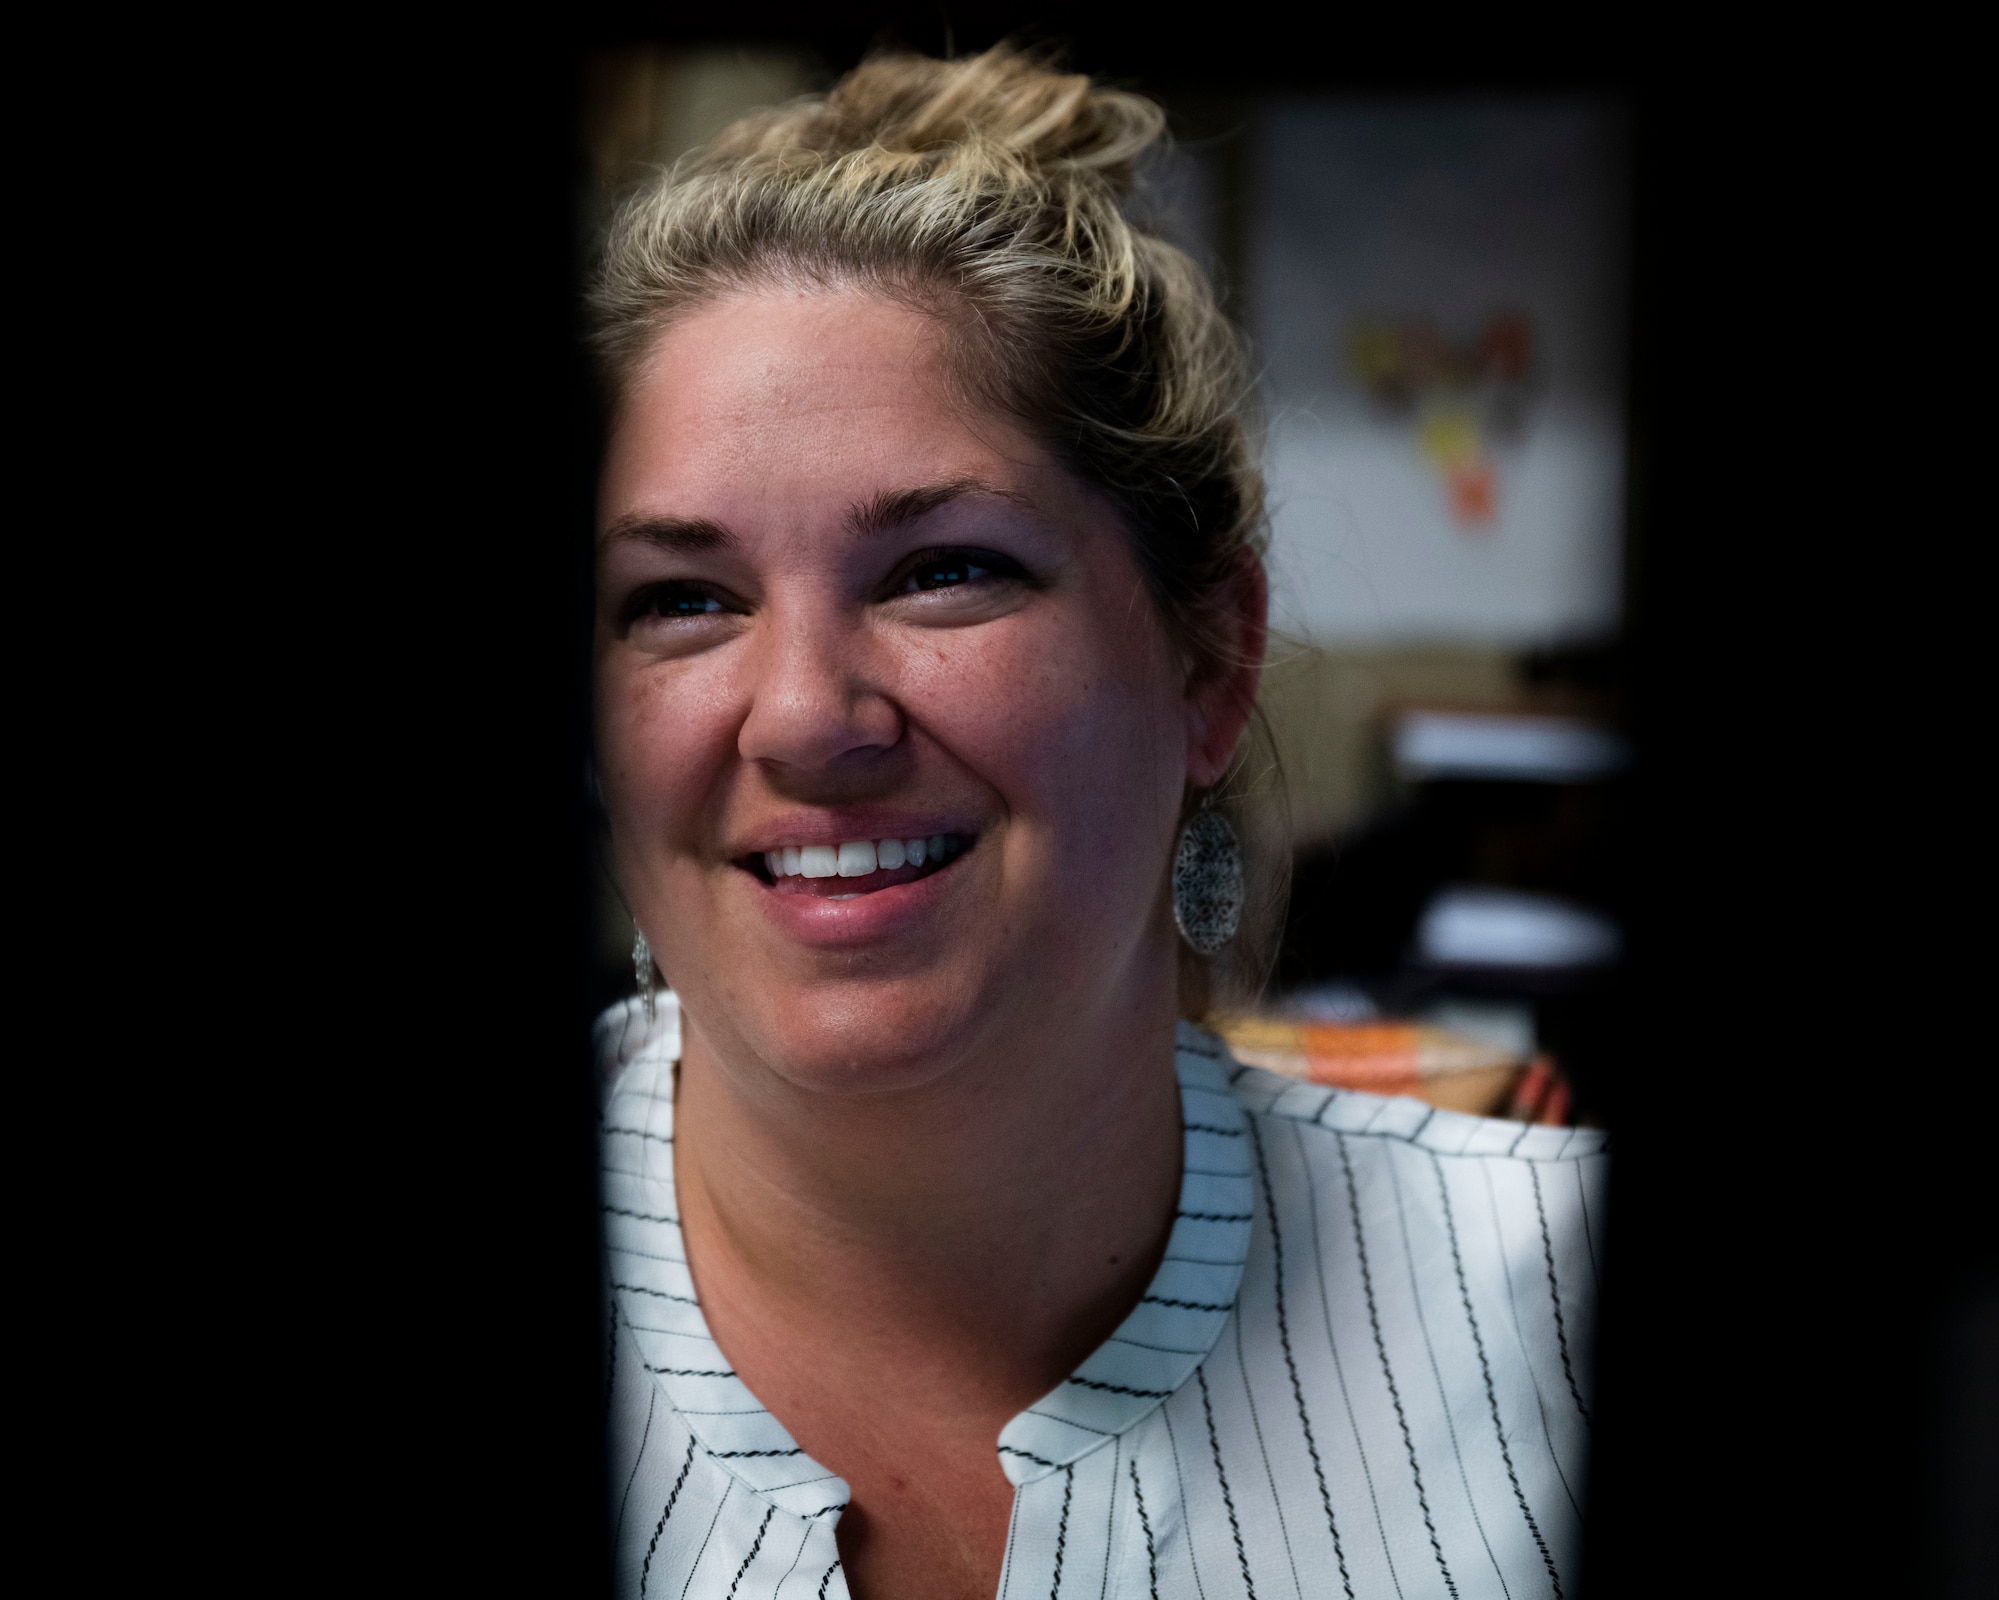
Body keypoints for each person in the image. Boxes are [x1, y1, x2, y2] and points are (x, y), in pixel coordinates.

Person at [590, 45, 1605, 1600]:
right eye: (681, 599)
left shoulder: (1550, 1300)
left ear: (1209, 661)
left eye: (945, 569)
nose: (801, 715)